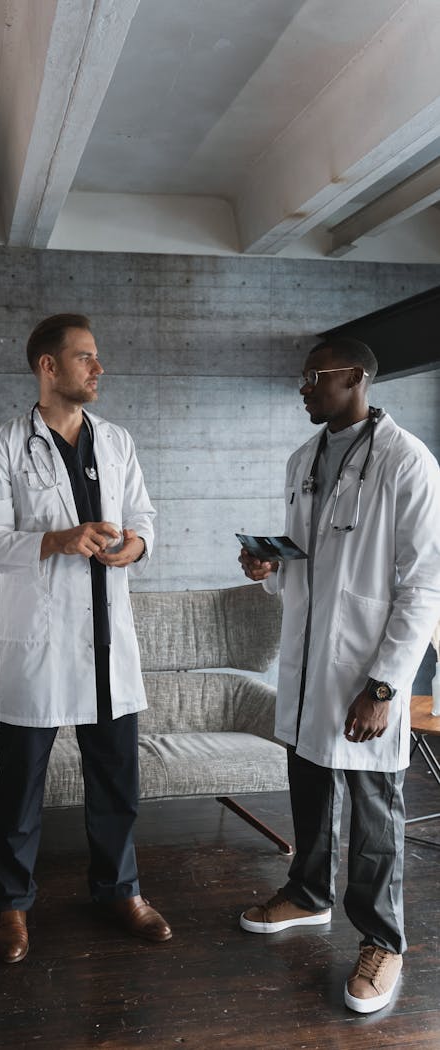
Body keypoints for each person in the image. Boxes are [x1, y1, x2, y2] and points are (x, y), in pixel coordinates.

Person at [238, 337, 440, 1014]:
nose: (303, 387)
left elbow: (425, 587)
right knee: (308, 781)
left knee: (374, 807)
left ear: (355, 377)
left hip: (364, 668)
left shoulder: (407, 462)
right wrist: (269, 568)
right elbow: (306, 561)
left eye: (313, 376)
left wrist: (384, 686)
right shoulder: (303, 459)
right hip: (306, 661)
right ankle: (307, 893)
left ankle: (384, 940)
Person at [0, 313, 171, 964]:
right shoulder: (1, 447)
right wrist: (55, 540)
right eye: (85, 357)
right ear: (48, 366)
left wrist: (135, 545)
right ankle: (10, 904)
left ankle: (120, 890)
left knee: (116, 779)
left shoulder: (117, 441)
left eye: (97, 357)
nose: (98, 368)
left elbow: (144, 517)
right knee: (20, 783)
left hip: (108, 637)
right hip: (42, 641)